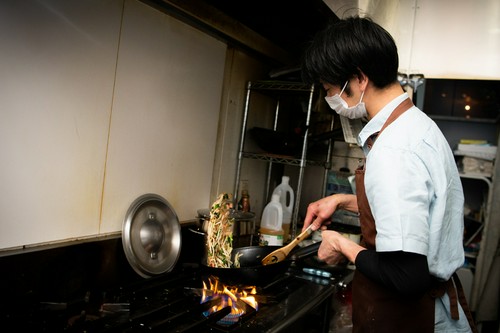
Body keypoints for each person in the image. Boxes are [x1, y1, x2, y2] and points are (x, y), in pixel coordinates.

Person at [301, 16, 477, 332]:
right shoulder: (417, 126)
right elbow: (420, 208)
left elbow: (405, 277)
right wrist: (343, 201)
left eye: (330, 90)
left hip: (420, 317)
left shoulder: (394, 151)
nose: (331, 101)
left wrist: (341, 244)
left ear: (358, 79)